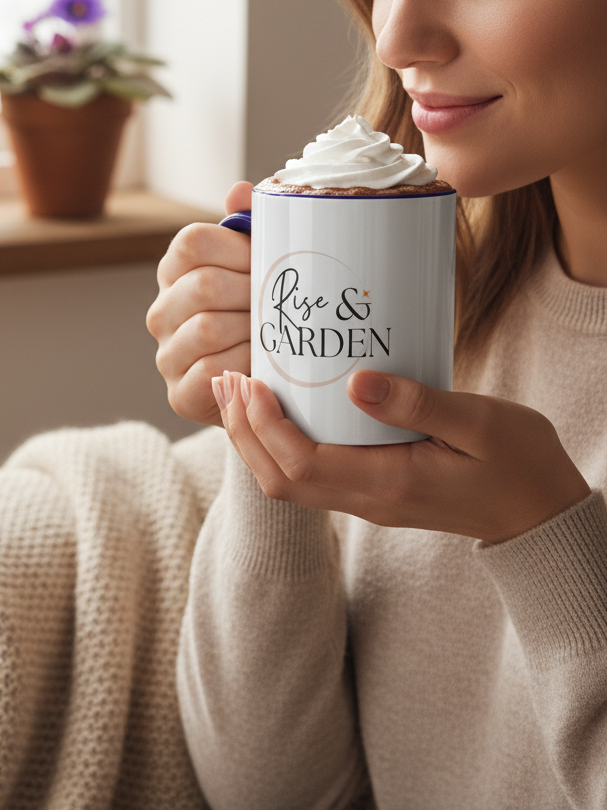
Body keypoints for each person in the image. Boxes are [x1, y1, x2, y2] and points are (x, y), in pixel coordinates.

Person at [146, 0, 607, 806]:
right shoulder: (423, 308)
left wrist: (544, 532)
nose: (396, 39)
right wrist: (272, 409)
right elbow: (273, 794)